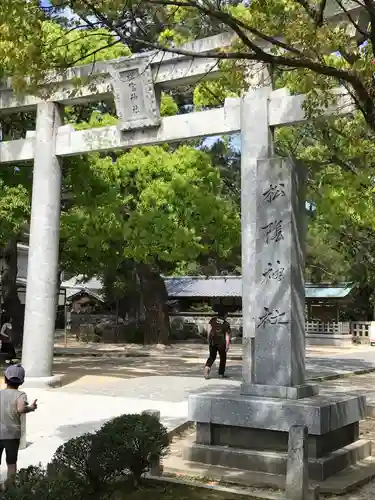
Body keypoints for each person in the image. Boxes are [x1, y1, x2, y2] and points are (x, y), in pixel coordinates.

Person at [0, 364, 37, 488]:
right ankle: (10, 487)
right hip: (12, 434)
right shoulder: (21, 394)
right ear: (21, 381)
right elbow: (21, 409)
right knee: (11, 462)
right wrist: (31, 408)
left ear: (5, 379)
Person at [204, 308, 231, 379]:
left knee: (212, 356)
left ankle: (206, 370)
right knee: (223, 358)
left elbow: (209, 328)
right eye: (227, 314)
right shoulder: (226, 324)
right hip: (221, 343)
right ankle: (221, 374)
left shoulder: (213, 320)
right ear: (225, 315)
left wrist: (208, 338)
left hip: (212, 341)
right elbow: (227, 336)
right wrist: (227, 345)